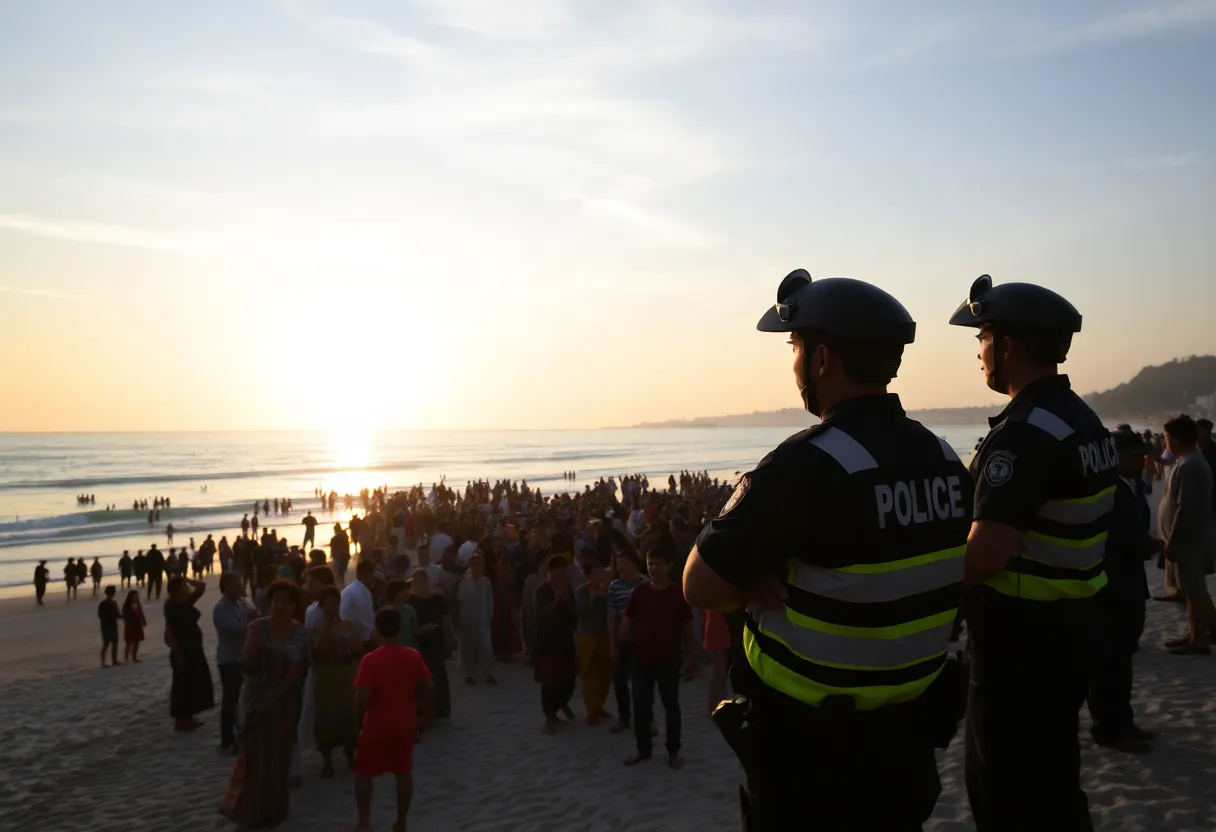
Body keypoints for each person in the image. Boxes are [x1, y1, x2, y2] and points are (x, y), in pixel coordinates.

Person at [683, 269, 971, 830]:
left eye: (794, 347)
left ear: (821, 360)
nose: (792, 364)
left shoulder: (807, 465)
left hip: (811, 755)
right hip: (907, 744)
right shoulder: (942, 458)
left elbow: (700, 583)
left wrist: (753, 574)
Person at [948, 275, 1115, 830]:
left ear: (1008, 345)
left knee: (1008, 795)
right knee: (1054, 782)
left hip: (1019, 647)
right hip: (1070, 631)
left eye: (982, 339)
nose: (979, 354)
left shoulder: (1024, 435)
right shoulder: (1081, 419)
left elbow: (986, 555)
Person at [1086, 427, 1157, 752]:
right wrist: (1149, 545)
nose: (1141, 460)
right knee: (1109, 663)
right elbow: (1115, 540)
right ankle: (1110, 728)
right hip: (1111, 587)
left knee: (1123, 658)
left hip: (1130, 584)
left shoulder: (1132, 487)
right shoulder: (1108, 491)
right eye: (1133, 456)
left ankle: (1123, 721)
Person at [219, 581, 310, 829]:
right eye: (276, 601)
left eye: (286, 601)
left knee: (278, 759)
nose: (281, 606)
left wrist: (273, 699)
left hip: (284, 702)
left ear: (294, 605)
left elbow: (295, 672)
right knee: (253, 760)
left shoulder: (300, 632)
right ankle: (248, 813)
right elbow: (246, 667)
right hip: (254, 701)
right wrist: (253, 647)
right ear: (270, 603)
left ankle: (274, 811)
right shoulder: (257, 627)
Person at [349, 607, 436, 832]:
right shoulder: (412, 655)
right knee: (403, 772)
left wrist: (359, 723)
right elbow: (429, 687)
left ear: (378, 630)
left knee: (363, 774)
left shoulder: (370, 660)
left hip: (377, 723)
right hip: (405, 722)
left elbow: (362, 697)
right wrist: (425, 716)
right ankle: (401, 822)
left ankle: (364, 822)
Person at [621, 549, 694, 768]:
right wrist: (620, 647)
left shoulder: (678, 594)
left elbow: (687, 628)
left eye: (658, 564)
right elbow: (627, 622)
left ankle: (673, 751)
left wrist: (691, 656)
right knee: (641, 706)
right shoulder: (639, 592)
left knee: (671, 705)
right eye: (650, 564)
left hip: (669, 659)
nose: (653, 568)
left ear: (669, 565)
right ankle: (643, 749)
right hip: (641, 658)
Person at [1159, 414, 1216, 654]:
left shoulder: (1191, 465)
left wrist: (1173, 541)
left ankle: (1200, 639)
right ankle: (1199, 633)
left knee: (1194, 590)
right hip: (1191, 538)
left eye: (1167, 437)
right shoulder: (1188, 461)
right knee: (1193, 590)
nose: (1165, 442)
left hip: (1190, 539)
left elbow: (1186, 508)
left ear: (1178, 438)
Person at [311, 585, 363, 778]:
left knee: (347, 715)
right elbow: (316, 652)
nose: (332, 607)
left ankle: (350, 754)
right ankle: (327, 761)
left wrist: (348, 649)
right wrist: (327, 627)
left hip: (345, 675)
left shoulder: (348, 626)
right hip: (326, 676)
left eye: (335, 603)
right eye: (327, 604)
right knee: (326, 717)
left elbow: (358, 648)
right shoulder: (316, 629)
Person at [534, 555, 578, 734]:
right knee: (549, 682)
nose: (561, 573)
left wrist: (565, 601)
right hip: (548, 641)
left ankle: (562, 704)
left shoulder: (569, 590)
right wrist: (555, 602)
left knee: (569, 681)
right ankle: (550, 717)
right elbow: (540, 615)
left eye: (563, 570)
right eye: (558, 570)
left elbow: (575, 617)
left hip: (565, 640)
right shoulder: (542, 590)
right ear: (550, 571)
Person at [164, 575, 214, 731]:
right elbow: (170, 632)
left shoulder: (184, 602)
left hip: (193, 648)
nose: (187, 589)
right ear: (178, 590)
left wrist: (186, 579)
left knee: (193, 682)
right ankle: (181, 720)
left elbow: (202, 586)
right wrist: (177, 653)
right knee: (182, 685)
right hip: (182, 649)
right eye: (184, 587)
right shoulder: (171, 605)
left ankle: (189, 717)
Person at [607, 548, 647, 734]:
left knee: (642, 684)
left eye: (621, 562)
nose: (618, 566)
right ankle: (624, 717)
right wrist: (613, 644)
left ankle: (647, 720)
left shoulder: (645, 583)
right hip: (623, 641)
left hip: (643, 640)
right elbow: (611, 617)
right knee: (620, 681)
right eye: (617, 562)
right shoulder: (614, 586)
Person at [213, 573, 252, 752]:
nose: (240, 587)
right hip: (229, 659)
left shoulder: (243, 602)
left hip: (244, 656)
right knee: (231, 700)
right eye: (236, 584)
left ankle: (242, 735)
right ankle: (227, 739)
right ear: (227, 586)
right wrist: (251, 621)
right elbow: (236, 629)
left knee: (244, 699)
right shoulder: (221, 608)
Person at [409, 568, 454, 719]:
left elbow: (446, 618)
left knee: (439, 672)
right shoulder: (411, 600)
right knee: (422, 675)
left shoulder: (436, 599)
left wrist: (452, 636)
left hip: (436, 639)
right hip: (420, 641)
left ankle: (441, 706)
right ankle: (425, 707)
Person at [575, 560, 613, 724]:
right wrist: (593, 598)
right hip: (587, 637)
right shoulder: (581, 591)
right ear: (588, 575)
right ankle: (591, 710)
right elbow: (581, 613)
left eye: (601, 573)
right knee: (589, 675)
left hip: (604, 636)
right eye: (596, 573)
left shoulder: (608, 591)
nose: (599, 577)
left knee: (604, 674)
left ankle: (599, 705)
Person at [457, 553, 496, 685]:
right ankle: (470, 674)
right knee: (469, 648)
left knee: (486, 647)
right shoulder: (464, 582)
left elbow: (489, 600)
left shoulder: (486, 582)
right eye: (474, 565)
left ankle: (488, 673)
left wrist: (490, 614)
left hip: (483, 618)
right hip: (468, 618)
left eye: (479, 565)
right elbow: (460, 601)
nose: (476, 568)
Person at [340, 561, 378, 651]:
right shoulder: (353, 592)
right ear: (364, 574)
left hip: (366, 636)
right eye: (371, 573)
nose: (373, 577)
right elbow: (350, 617)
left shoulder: (363, 590)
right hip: (359, 639)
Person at [385, 580, 418, 647]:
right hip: (407, 648)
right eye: (406, 591)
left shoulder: (384, 610)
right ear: (399, 593)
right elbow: (415, 631)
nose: (409, 593)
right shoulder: (409, 610)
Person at [98, 586, 121, 668]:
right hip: (108, 625)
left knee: (110, 644)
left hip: (108, 625)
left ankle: (110, 661)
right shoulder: (110, 603)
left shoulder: (106, 603)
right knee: (109, 644)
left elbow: (100, 615)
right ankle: (110, 661)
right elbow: (117, 615)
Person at [121, 589, 147, 664]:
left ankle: (134, 657)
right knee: (129, 642)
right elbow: (125, 614)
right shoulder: (127, 605)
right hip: (130, 625)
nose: (136, 596)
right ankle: (126, 657)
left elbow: (141, 613)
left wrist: (143, 620)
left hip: (138, 624)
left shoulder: (137, 604)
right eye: (134, 595)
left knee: (137, 641)